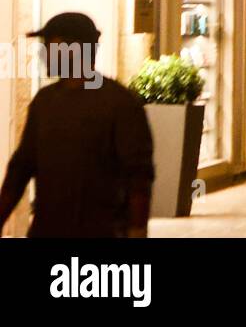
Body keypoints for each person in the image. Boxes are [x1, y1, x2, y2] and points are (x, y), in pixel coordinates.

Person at [0, 13, 155, 237]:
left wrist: (137, 231)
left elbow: (138, 176)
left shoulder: (119, 103)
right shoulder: (45, 101)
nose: (43, 54)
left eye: (49, 45)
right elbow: (21, 167)